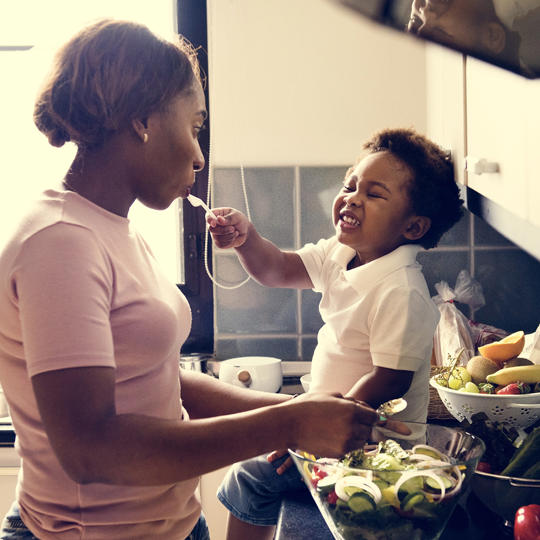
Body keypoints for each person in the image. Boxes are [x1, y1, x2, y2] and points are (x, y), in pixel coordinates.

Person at [0, 19, 404, 540]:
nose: (198, 154)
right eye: (194, 126)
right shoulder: (59, 242)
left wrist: (301, 411)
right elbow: (90, 449)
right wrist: (289, 426)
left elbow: (158, 380)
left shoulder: (111, 227)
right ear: (141, 120)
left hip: (171, 524)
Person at [208, 128, 464, 540]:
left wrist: (311, 429)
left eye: (375, 194)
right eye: (350, 185)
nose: (353, 198)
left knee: (250, 478)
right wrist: (246, 239)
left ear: (413, 227)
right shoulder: (341, 252)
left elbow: (390, 380)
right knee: (253, 468)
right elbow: (278, 268)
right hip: (326, 425)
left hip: (372, 448)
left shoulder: (401, 290)